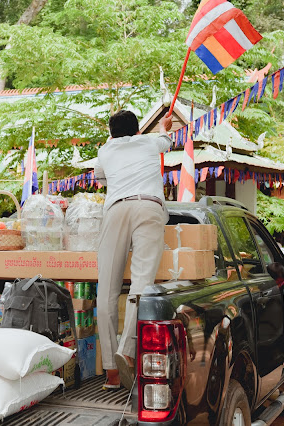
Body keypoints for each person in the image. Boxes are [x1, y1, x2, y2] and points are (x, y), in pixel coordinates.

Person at [94, 110, 173, 390]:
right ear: (138, 130)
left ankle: (111, 371)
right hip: (149, 207)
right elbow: (167, 139)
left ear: (112, 133)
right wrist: (164, 127)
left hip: (116, 210)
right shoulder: (150, 142)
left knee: (106, 291)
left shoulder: (105, 150)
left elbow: (100, 176)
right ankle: (127, 351)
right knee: (140, 284)